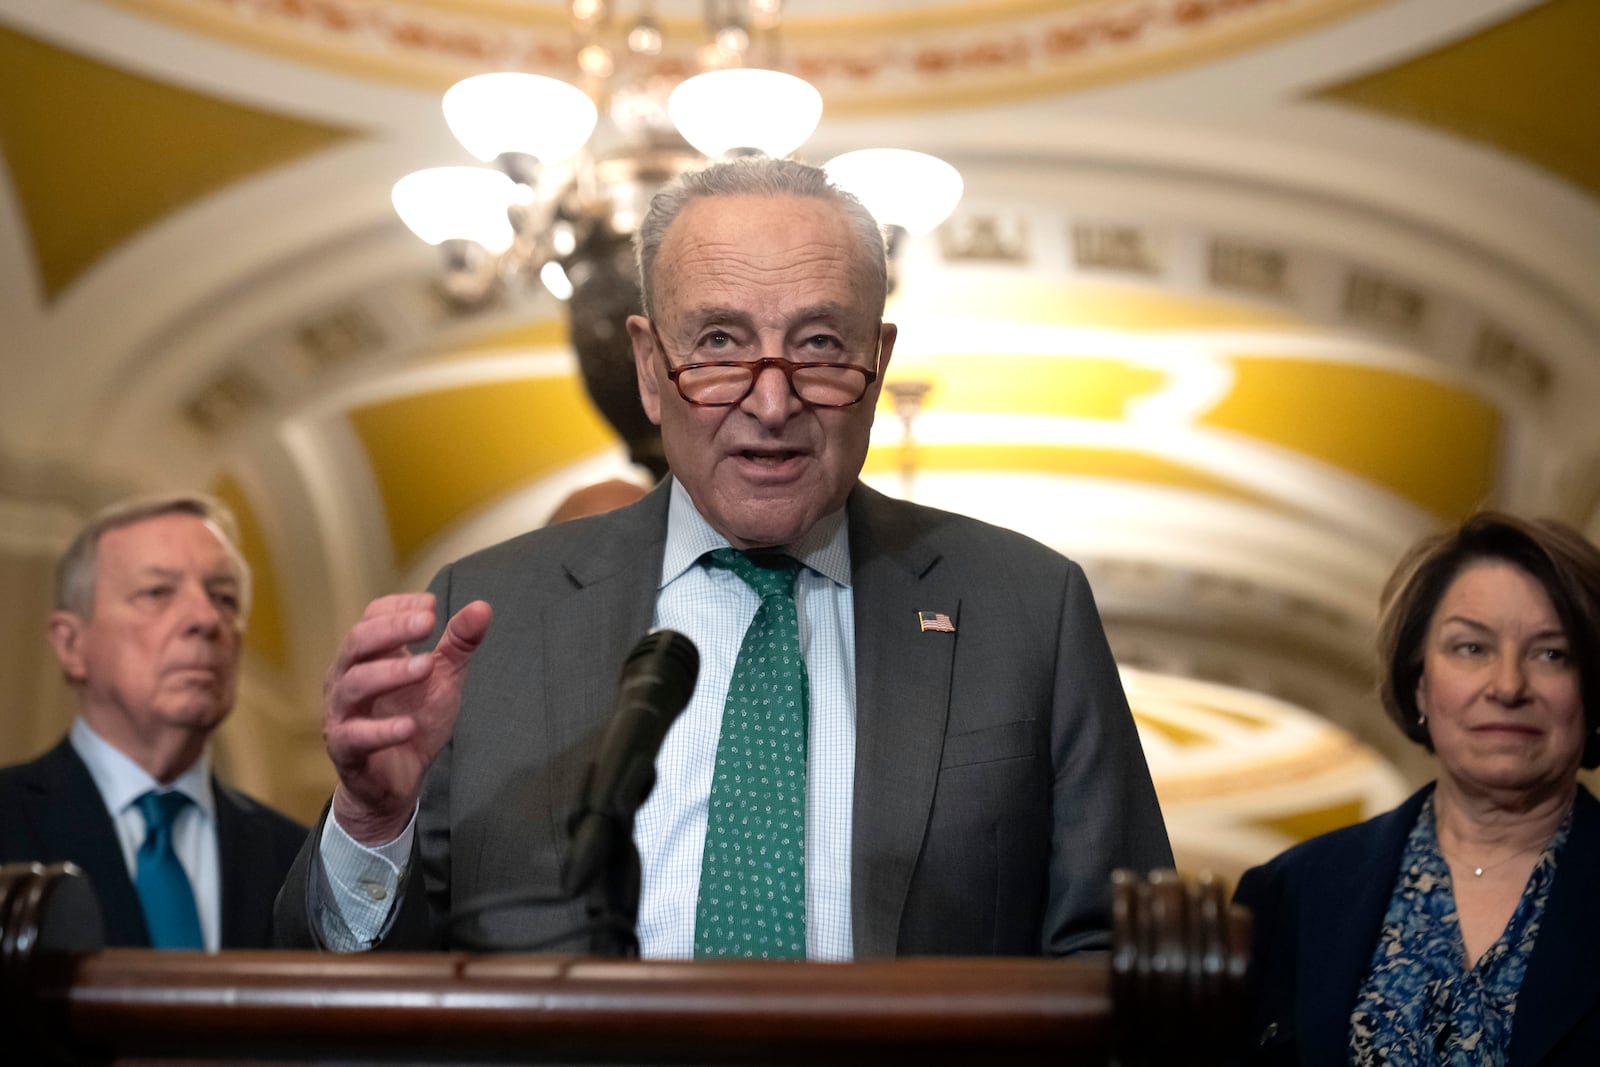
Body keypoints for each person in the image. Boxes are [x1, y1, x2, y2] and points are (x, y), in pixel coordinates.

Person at [274, 157, 1171, 959]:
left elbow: (1130, 961)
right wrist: (373, 824)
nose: (772, 401)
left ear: (879, 357)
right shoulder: (489, 614)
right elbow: (370, 996)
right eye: (719, 343)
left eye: (820, 345)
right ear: (649, 368)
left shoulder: (1024, 609)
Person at [1233, 512, 1600, 1065]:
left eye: (1552, 653)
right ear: (1419, 683)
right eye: (1471, 648)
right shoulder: (1291, 897)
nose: (1508, 686)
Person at [0, 493, 306, 950]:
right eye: (157, 593)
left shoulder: (298, 862)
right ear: (70, 644)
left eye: (224, 597)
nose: (205, 619)